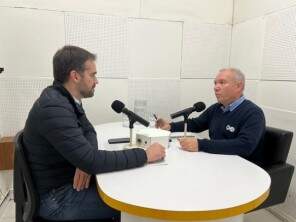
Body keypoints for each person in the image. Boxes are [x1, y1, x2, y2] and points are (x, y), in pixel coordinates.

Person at [23, 45, 165, 221]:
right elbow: (93, 160)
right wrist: (145, 155)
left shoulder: (65, 99)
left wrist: (83, 162)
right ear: (75, 76)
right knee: (137, 203)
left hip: (64, 186)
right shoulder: (54, 107)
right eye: (92, 75)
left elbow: (89, 130)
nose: (96, 81)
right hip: (57, 200)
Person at [156, 68, 265, 159]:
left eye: (222, 82)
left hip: (242, 168)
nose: (216, 87)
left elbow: (244, 145)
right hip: (218, 160)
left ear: (239, 86)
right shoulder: (217, 108)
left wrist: (200, 144)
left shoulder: (253, 113)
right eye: (215, 83)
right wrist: (170, 126)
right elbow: (197, 124)